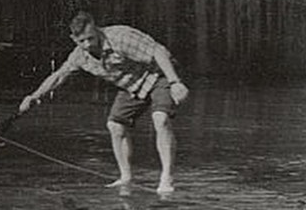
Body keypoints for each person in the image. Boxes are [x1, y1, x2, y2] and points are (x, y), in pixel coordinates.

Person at [19, 11, 189, 195]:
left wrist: (174, 82)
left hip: (159, 74)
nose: (88, 44)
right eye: (81, 41)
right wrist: (34, 96)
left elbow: (158, 51)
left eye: (91, 38)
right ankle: (126, 178)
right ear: (74, 39)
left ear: (96, 28)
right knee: (115, 125)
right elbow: (59, 76)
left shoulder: (120, 37)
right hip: (132, 85)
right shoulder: (80, 55)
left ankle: (166, 178)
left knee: (160, 118)